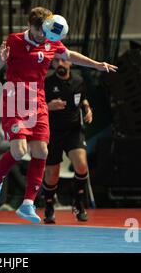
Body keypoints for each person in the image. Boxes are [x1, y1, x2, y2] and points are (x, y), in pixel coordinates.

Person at [0, 6, 117, 223]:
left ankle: (27, 203)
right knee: (18, 151)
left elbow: (70, 55)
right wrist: (1, 60)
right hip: (15, 100)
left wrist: (97, 65)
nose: (42, 36)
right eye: (39, 32)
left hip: (38, 102)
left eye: (45, 32)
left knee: (41, 151)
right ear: (30, 26)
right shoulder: (15, 40)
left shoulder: (51, 38)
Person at [43, 57, 93, 224]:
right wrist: (49, 106)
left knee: (81, 165)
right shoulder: (47, 83)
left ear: (70, 62)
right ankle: (49, 207)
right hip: (52, 132)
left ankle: (78, 204)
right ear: (53, 64)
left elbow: (83, 98)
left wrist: (87, 109)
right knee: (52, 174)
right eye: (56, 61)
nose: (60, 64)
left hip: (73, 130)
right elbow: (35, 106)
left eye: (63, 61)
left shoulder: (79, 80)